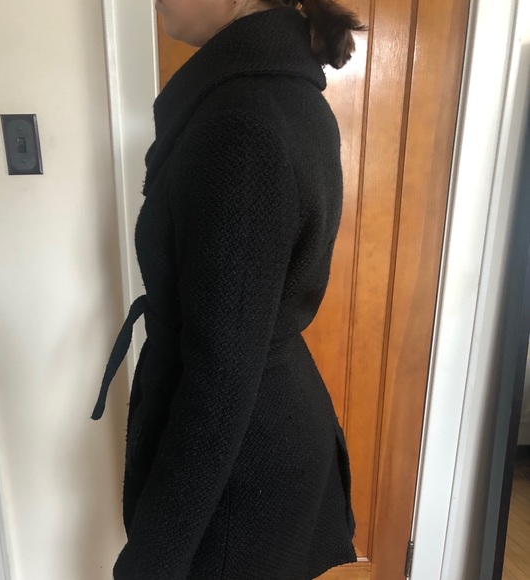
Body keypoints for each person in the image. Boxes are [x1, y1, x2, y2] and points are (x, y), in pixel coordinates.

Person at [91, 0, 365, 578]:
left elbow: (220, 377)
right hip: (258, 439)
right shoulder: (279, 96)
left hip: (238, 469)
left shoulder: (240, 122)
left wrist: (151, 563)